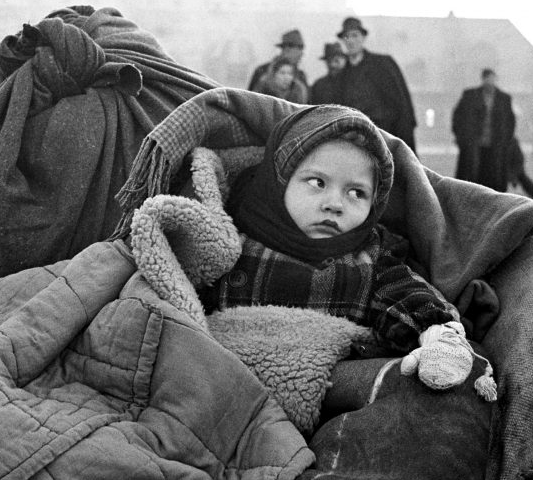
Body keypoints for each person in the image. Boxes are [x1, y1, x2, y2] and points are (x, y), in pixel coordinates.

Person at [199, 104, 493, 396]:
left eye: (356, 193)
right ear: (279, 181)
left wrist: (439, 336)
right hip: (223, 386)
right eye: (317, 183)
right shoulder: (228, 239)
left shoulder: (369, 259)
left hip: (323, 394)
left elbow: (408, 296)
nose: (334, 204)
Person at [336, 17, 418, 153]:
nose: (350, 41)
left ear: (363, 38)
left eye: (354, 35)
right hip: (357, 143)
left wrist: (402, 140)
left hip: (386, 137)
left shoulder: (382, 65)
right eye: (346, 37)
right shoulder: (342, 76)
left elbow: (402, 104)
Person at [451, 68, 516, 192]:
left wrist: (506, 139)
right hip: (474, 143)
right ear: (483, 79)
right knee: (472, 174)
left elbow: (510, 121)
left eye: (491, 78)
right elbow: (458, 116)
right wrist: (461, 137)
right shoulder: (470, 96)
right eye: (487, 78)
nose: (489, 82)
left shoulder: (504, 99)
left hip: (495, 144)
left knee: (493, 175)